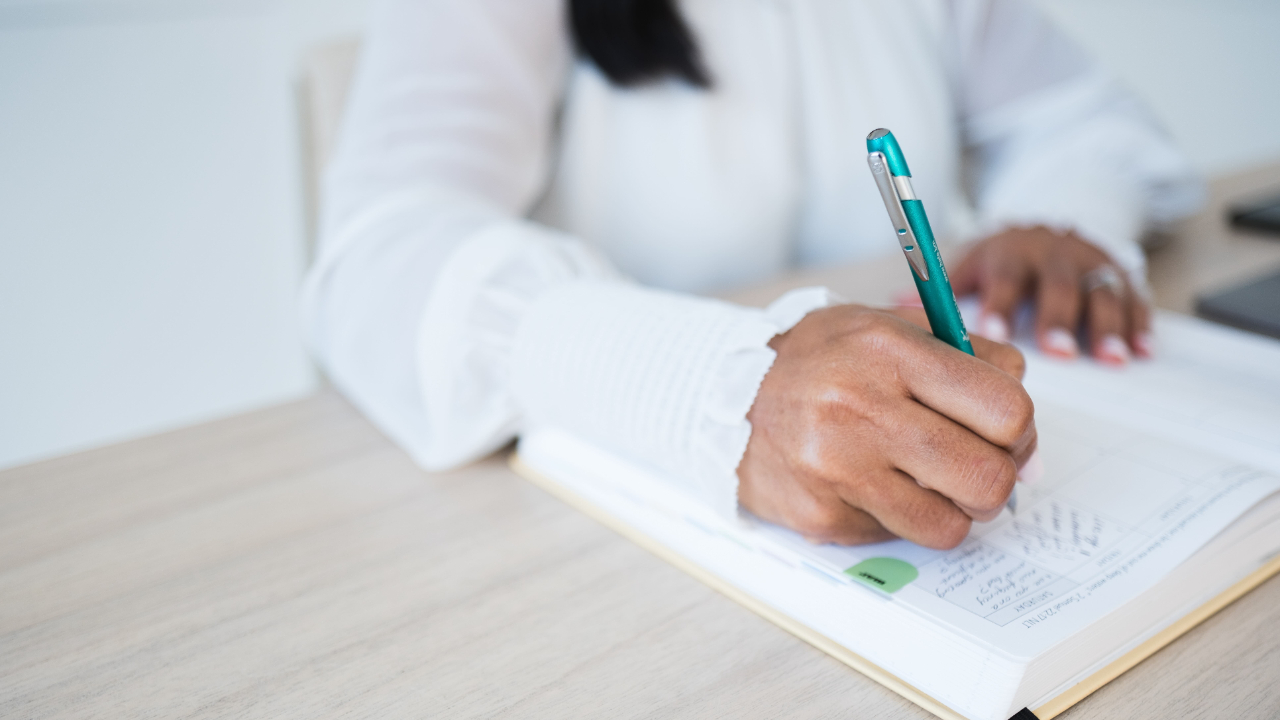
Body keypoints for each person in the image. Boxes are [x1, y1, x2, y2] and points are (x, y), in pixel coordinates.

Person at [302, 0, 1200, 549]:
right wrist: (714, 389)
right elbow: (377, 253)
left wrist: (1060, 215)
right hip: (583, 539)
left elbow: (1081, 120)